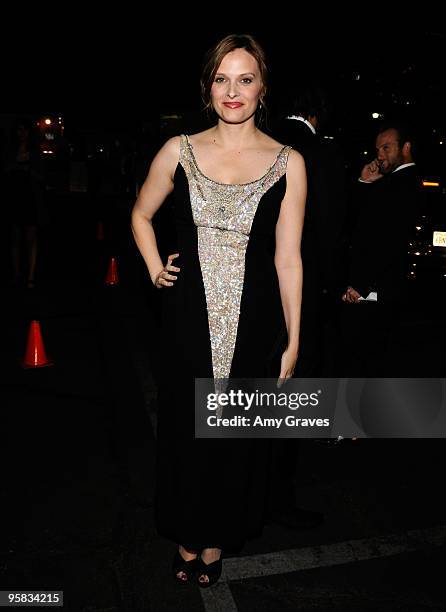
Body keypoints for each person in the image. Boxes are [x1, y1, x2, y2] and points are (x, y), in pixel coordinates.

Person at [131, 34, 306, 588]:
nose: (233, 91)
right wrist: (155, 266)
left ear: (262, 88)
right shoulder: (177, 148)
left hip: (255, 321)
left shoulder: (289, 162)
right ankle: (186, 536)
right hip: (186, 317)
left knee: (232, 438)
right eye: (222, 78)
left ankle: (214, 540)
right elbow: (140, 214)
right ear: (208, 87)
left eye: (245, 79)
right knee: (187, 431)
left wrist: (293, 339)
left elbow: (289, 259)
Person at [267, 85, 346, 530]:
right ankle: (277, 499)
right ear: (320, 114)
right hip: (301, 293)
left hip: (250, 292)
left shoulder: (259, 140)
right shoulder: (322, 155)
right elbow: (330, 236)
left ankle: (242, 491)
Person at [341, 122, 421, 376]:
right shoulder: (391, 183)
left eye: (387, 147)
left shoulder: (403, 184)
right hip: (375, 289)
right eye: (378, 149)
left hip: (376, 290)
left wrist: (359, 284)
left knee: (365, 362)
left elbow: (386, 240)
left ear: (405, 148)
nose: (380, 154)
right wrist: (364, 182)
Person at [2, 117, 46, 288]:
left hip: (31, 199)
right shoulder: (10, 152)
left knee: (31, 238)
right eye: (19, 130)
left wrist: (29, 170)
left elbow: (42, 177)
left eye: (25, 130)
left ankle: (31, 276)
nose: (22, 134)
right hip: (14, 198)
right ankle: (16, 273)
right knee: (15, 238)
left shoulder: (35, 153)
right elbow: (5, 171)